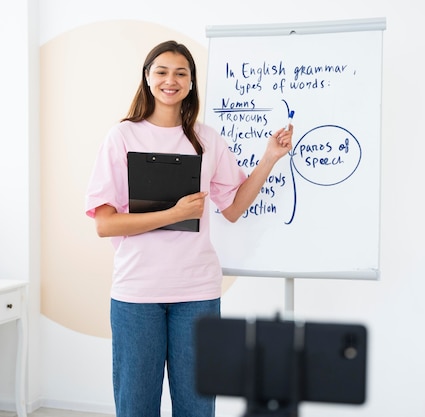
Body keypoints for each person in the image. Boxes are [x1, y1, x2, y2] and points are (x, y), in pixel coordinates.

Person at [85, 40, 293, 417]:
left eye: (182, 73)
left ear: (192, 82)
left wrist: (268, 159)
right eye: (162, 71)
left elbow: (232, 207)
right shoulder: (122, 138)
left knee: (198, 407)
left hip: (197, 292)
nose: (171, 80)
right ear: (147, 79)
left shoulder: (207, 139)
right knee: (136, 406)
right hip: (136, 294)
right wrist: (172, 213)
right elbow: (104, 224)